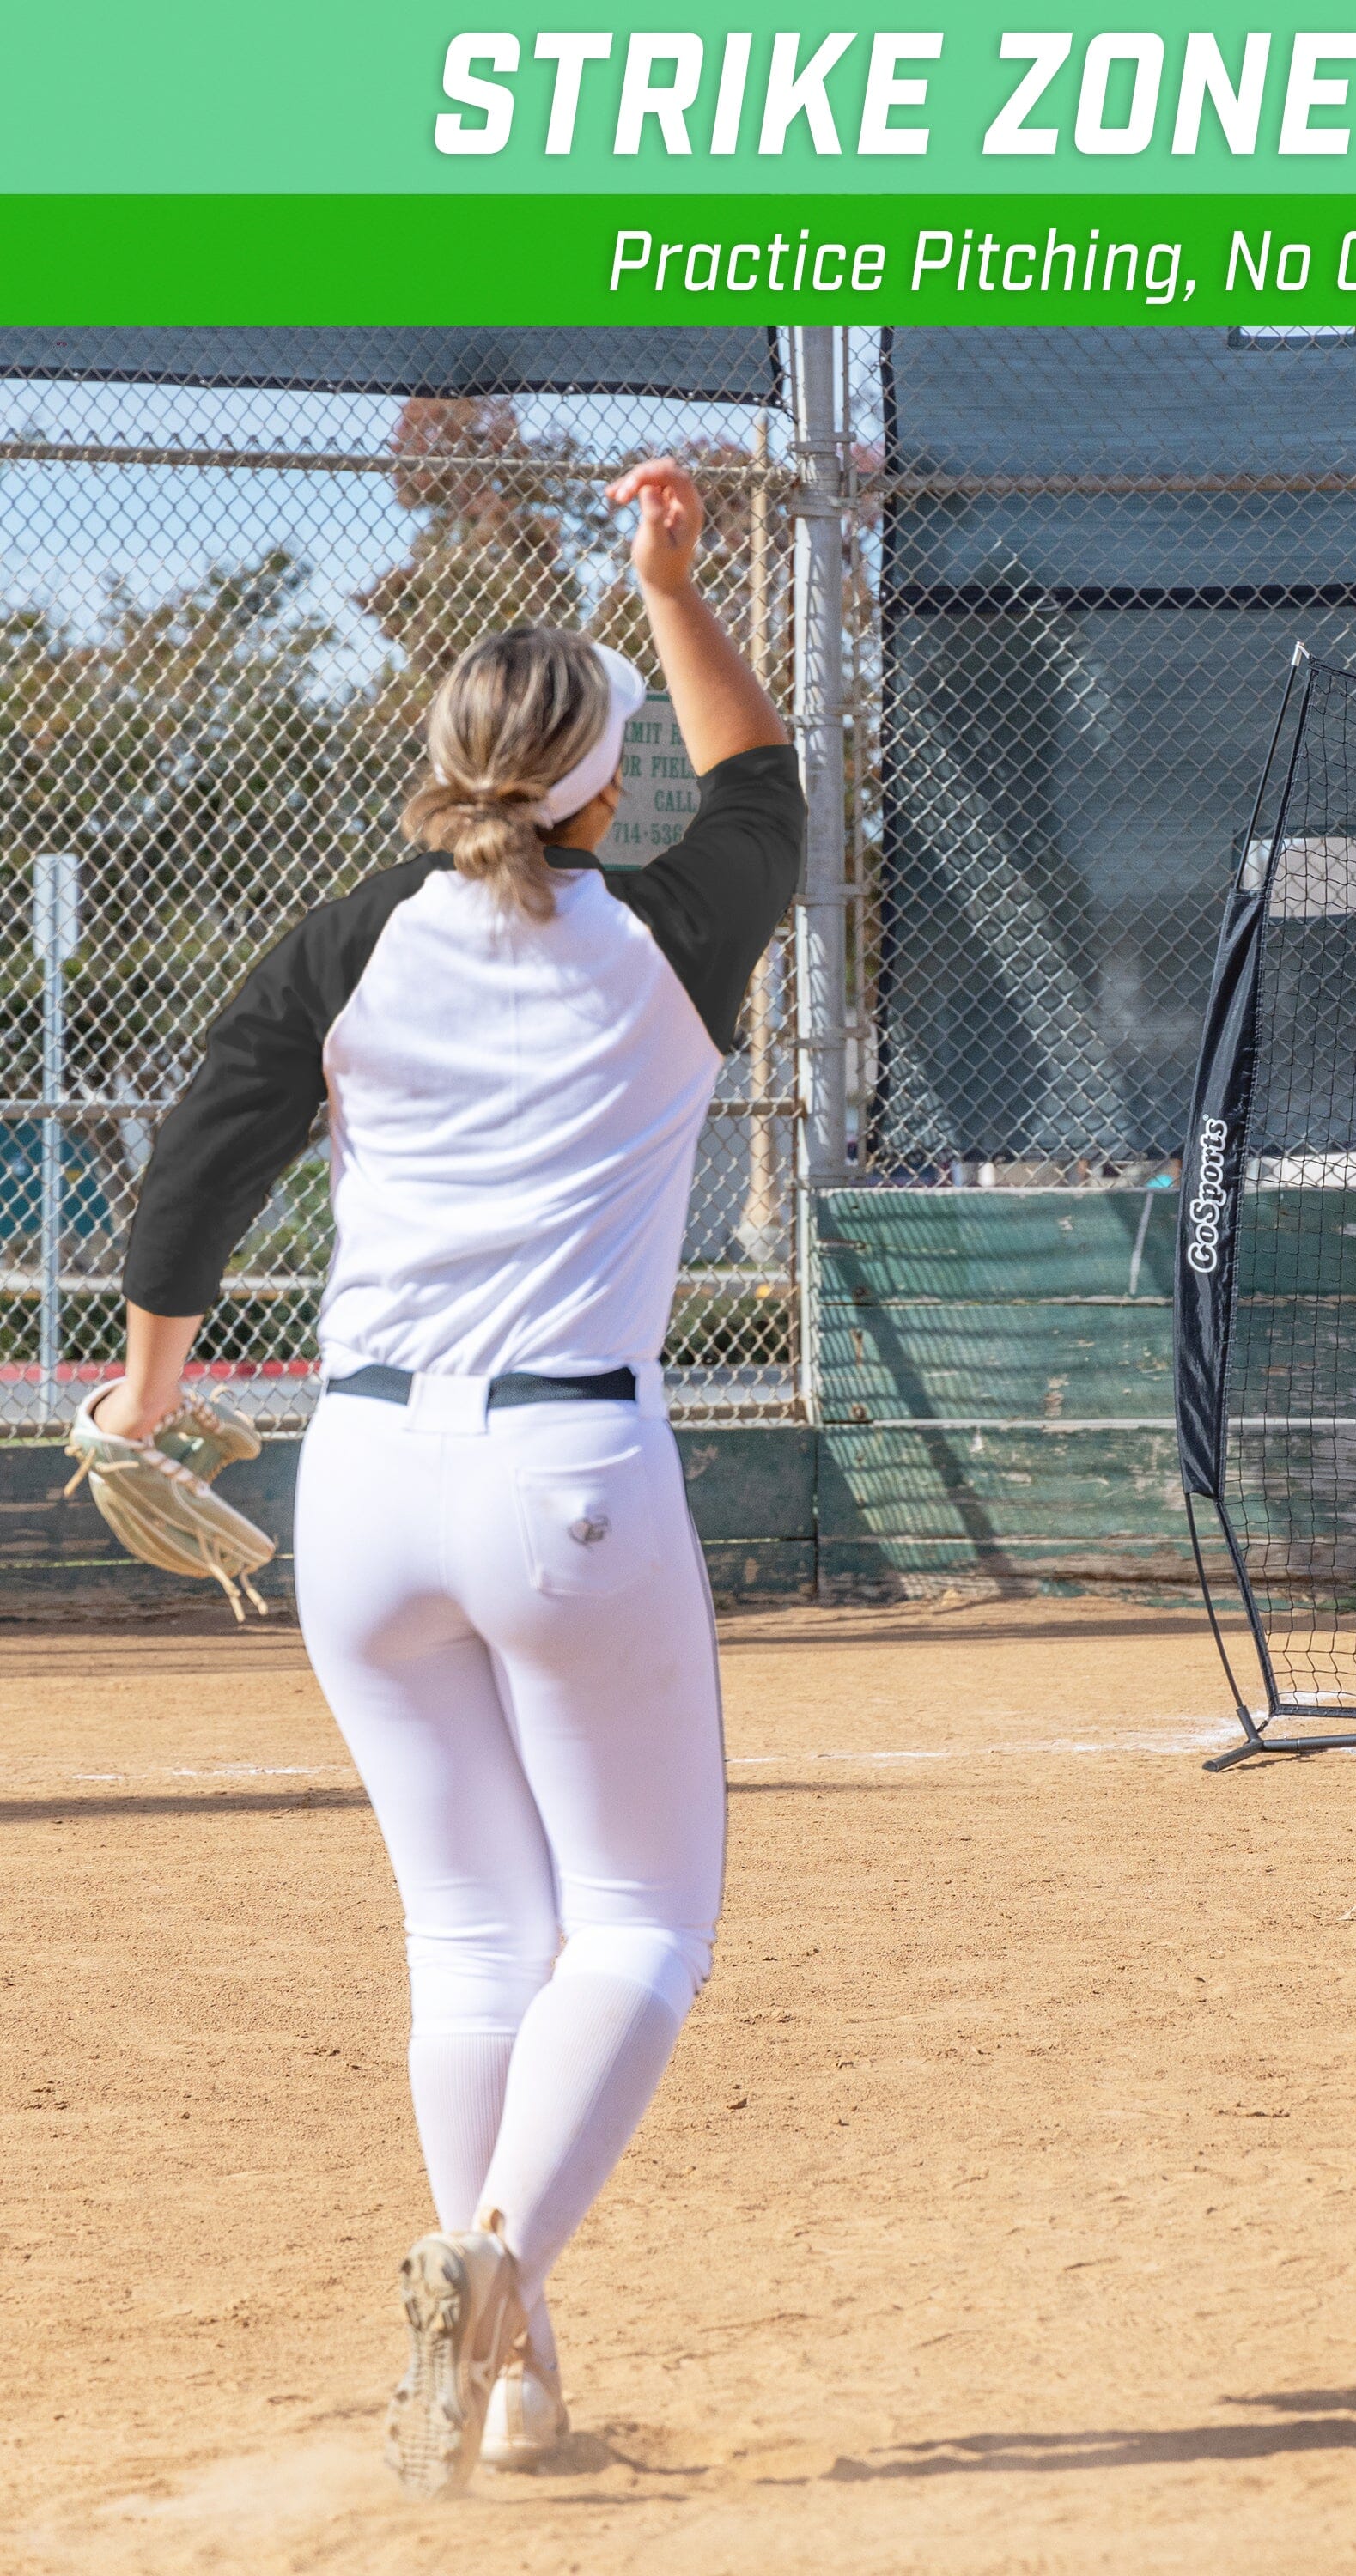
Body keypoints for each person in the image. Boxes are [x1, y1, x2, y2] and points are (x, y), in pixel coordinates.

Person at [106, 458, 802, 2499]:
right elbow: (760, 781)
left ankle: (512, 2377)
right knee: (642, 1924)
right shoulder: (674, 934)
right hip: (567, 1469)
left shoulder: (347, 943)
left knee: (472, 1940)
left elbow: (195, 1167)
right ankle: (495, 2267)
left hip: (363, 1479)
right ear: (598, 790)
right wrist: (668, 579)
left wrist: (146, 1400)